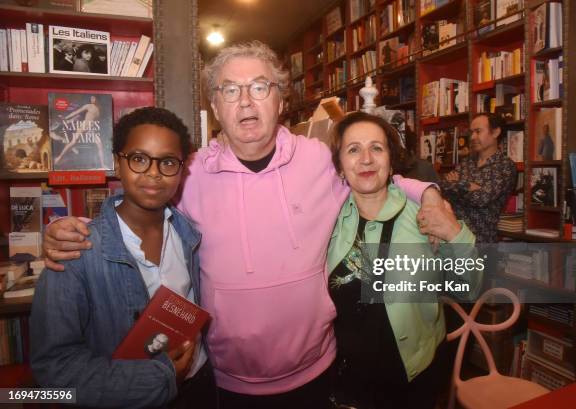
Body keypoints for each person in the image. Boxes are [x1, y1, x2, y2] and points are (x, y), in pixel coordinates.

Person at [43, 41, 446, 409]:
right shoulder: (191, 173)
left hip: (318, 368)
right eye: (230, 90)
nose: (245, 101)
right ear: (216, 108)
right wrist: (82, 230)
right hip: (224, 380)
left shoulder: (321, 159)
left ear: (280, 100)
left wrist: (426, 191)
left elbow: (375, 174)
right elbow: (145, 196)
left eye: (259, 86)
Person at [31, 108, 216, 409]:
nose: (154, 173)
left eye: (168, 162)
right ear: (118, 163)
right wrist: (160, 377)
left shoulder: (189, 236)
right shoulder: (75, 251)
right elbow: (54, 368)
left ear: (182, 170)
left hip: (198, 387)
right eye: (139, 159)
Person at [326, 112, 481, 409]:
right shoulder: (327, 220)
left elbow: (469, 286)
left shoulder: (425, 215)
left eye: (377, 148)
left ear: (391, 159)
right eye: (353, 149)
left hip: (413, 382)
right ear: (340, 166)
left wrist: (456, 234)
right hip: (344, 381)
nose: (367, 159)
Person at [440, 113, 517, 243]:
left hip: (481, 243)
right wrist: (470, 186)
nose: (472, 137)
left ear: (496, 132)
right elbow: (442, 188)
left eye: (478, 131)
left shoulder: (505, 166)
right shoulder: (466, 163)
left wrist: (457, 184)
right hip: (451, 240)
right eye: (472, 132)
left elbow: (482, 199)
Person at [53, 95, 109, 169]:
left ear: (96, 99)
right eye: (91, 98)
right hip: (84, 127)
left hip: (92, 130)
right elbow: (76, 112)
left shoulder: (100, 109)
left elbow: (99, 120)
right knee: (73, 142)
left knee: (100, 145)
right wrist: (66, 118)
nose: (92, 99)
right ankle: (59, 158)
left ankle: (103, 165)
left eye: (93, 98)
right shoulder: (89, 106)